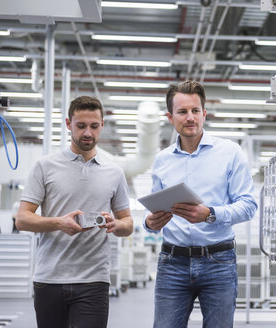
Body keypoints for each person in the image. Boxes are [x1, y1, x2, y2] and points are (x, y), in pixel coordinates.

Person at [143, 80, 257, 328]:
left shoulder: (230, 153)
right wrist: (150, 222)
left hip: (218, 261)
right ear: (170, 117)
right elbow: (153, 211)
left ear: (204, 114)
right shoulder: (162, 160)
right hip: (172, 262)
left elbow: (248, 205)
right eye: (182, 112)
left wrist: (210, 214)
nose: (190, 117)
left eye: (195, 111)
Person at [16, 96, 133, 328]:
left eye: (94, 126)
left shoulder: (115, 172)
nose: (87, 133)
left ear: (102, 125)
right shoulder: (45, 166)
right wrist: (59, 223)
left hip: (94, 280)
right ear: (69, 124)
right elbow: (22, 219)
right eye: (81, 126)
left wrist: (115, 225)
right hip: (49, 279)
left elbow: (127, 223)